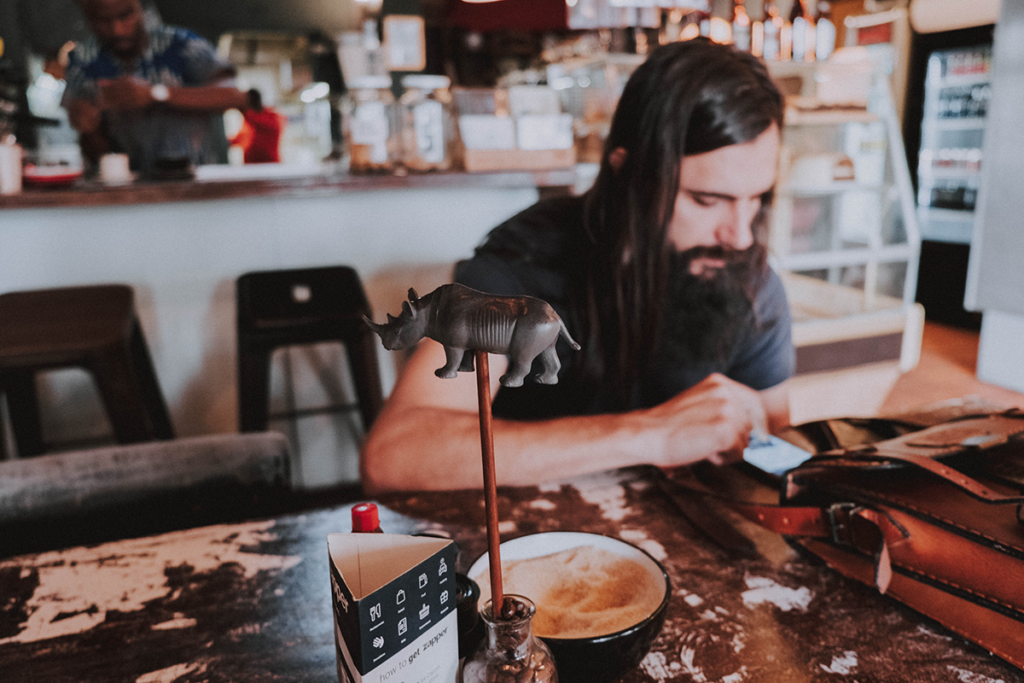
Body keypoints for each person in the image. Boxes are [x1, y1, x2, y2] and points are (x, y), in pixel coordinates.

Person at [362, 38, 794, 493]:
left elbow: (776, 443)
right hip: (527, 543)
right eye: (707, 200)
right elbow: (393, 455)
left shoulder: (747, 280)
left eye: (758, 199)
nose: (741, 235)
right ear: (627, 172)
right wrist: (650, 434)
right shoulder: (526, 265)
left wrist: (755, 432)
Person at [62, 0, 256, 174]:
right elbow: (94, 151)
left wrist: (155, 93)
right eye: (102, 20)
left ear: (140, 6)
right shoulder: (82, 62)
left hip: (198, 183)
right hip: (129, 193)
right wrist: (88, 127)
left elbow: (236, 96)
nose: (117, 29)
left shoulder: (181, 44)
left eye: (125, 15)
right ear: (87, 15)